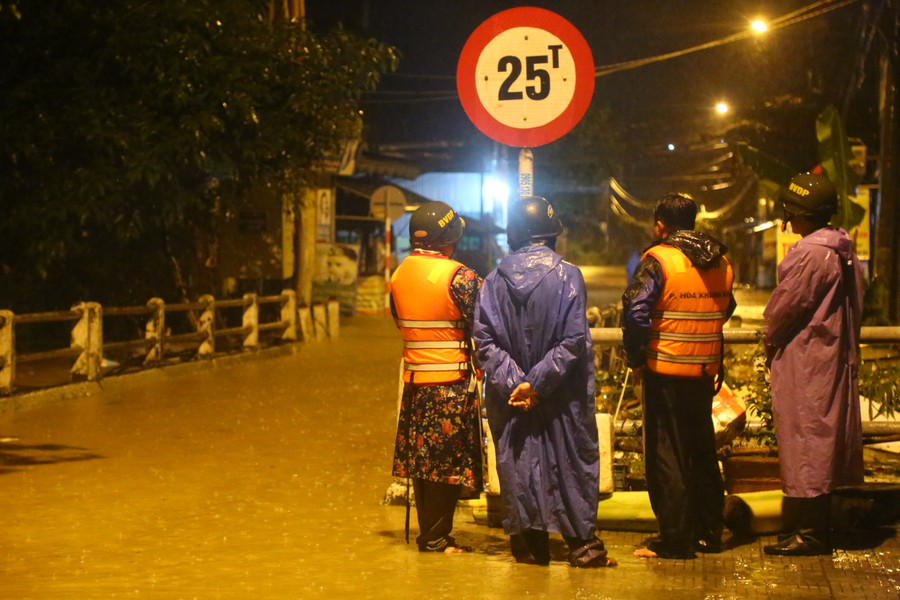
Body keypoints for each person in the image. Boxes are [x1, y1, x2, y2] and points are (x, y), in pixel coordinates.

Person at [474, 196, 615, 568]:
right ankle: (583, 548)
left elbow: (484, 341)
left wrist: (515, 383)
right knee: (570, 464)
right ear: (552, 235)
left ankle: (529, 551)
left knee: (519, 465)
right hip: (560, 395)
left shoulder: (492, 281)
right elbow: (573, 340)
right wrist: (536, 383)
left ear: (513, 235)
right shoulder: (569, 276)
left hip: (511, 398)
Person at [621, 193, 735, 559]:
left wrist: (637, 358)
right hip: (703, 372)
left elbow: (635, 311)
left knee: (666, 454)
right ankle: (709, 532)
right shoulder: (721, 260)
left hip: (665, 371)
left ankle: (674, 539)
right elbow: (725, 307)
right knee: (702, 451)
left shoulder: (659, 259)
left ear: (660, 225)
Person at [762, 172, 864, 556]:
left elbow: (785, 307)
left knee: (806, 440)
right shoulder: (842, 248)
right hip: (831, 356)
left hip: (807, 360)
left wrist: (769, 337)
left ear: (799, 214)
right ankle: (812, 527)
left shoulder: (809, 253)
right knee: (821, 439)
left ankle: (811, 534)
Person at [390, 201, 483, 553]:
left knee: (422, 464)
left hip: (415, 386)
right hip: (451, 386)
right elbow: (489, 323)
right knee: (447, 466)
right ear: (450, 238)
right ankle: (437, 538)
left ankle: (430, 535)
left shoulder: (398, 275)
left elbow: (400, 322)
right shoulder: (460, 277)